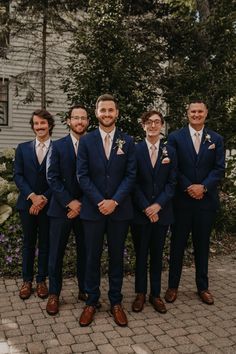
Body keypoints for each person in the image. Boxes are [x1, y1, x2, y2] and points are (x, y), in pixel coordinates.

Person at [77, 94, 136, 327]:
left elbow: (131, 175)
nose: (107, 114)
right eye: (103, 110)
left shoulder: (128, 141)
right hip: (93, 210)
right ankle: (91, 301)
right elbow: (82, 175)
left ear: (117, 113)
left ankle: (115, 301)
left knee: (116, 258)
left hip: (119, 211)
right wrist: (101, 200)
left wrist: (115, 201)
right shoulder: (86, 141)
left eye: (111, 110)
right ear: (97, 113)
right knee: (92, 257)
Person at [165, 100, 225, 305]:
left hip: (205, 202)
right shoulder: (174, 137)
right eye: (193, 111)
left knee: (202, 245)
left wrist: (203, 187)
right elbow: (172, 167)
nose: (197, 114)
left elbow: (218, 169)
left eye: (200, 111)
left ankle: (203, 287)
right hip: (182, 201)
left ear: (206, 113)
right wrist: (189, 187)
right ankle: (173, 286)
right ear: (187, 113)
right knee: (177, 246)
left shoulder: (216, 138)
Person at [131, 110, 177, 314]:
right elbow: (132, 182)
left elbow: (172, 182)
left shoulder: (170, 151)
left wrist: (158, 205)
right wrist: (146, 207)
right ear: (143, 125)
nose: (153, 126)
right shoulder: (134, 150)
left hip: (162, 212)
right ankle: (140, 293)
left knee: (157, 255)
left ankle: (155, 294)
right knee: (141, 255)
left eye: (157, 122)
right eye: (149, 122)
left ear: (162, 126)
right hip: (140, 214)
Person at [46, 104, 89, 315]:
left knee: (86, 252)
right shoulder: (58, 145)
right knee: (55, 254)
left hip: (86, 209)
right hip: (61, 209)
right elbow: (52, 177)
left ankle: (84, 290)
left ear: (88, 121)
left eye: (83, 118)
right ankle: (54, 293)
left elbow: (98, 178)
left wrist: (80, 204)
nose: (79, 121)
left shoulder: (93, 145)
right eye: (76, 118)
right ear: (69, 121)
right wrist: (69, 202)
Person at [14, 109, 55, 300]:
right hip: (27, 205)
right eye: (36, 124)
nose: (39, 127)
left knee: (45, 243)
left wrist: (43, 199)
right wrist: (32, 197)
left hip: (48, 205)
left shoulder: (58, 149)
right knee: (29, 243)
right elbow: (18, 176)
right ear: (33, 126)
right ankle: (27, 281)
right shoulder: (22, 148)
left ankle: (41, 281)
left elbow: (58, 179)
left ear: (49, 125)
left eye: (43, 123)